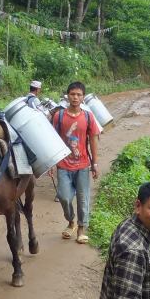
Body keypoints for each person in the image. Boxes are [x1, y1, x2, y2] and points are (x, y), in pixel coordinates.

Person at [50, 81, 101, 243]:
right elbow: (52, 140)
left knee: (82, 197)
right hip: (63, 165)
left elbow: (93, 140)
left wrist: (95, 164)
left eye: (79, 94)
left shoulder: (87, 116)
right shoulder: (59, 116)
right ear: (67, 96)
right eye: (72, 94)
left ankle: (81, 228)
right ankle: (71, 221)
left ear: (83, 97)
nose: (75, 97)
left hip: (83, 165)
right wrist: (51, 163)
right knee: (64, 197)